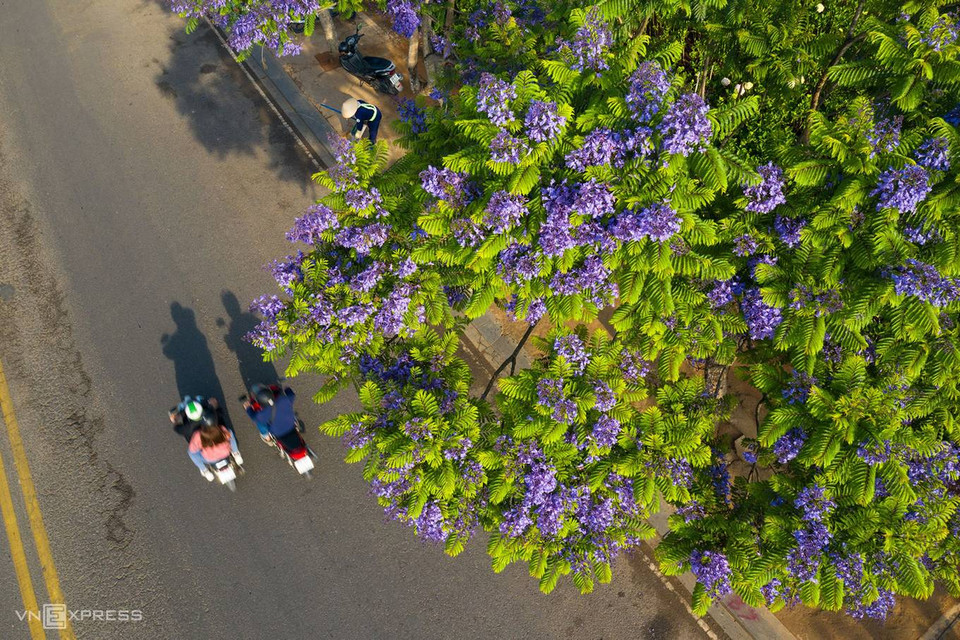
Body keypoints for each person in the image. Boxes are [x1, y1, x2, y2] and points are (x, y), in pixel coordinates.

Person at [188, 414, 243, 481]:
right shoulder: (221, 429)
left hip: (210, 459)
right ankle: (236, 453)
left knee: (191, 453)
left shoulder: (198, 435)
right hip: (225, 453)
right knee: (230, 433)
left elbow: (192, 450)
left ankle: (205, 471)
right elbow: (229, 436)